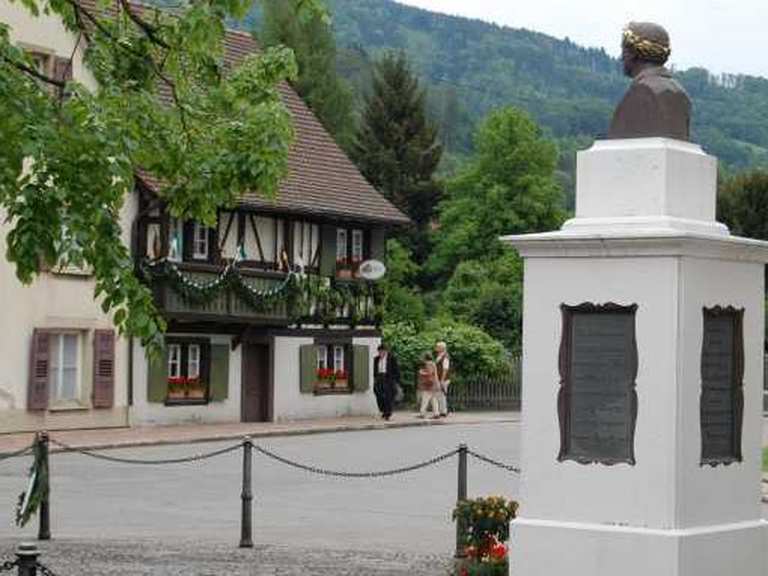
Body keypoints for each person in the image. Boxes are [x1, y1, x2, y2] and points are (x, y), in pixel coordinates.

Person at [607, 21, 691, 141]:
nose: (621, 57)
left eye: (623, 50)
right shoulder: (681, 94)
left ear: (632, 53)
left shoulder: (643, 92)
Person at [373, 343, 400, 421]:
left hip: (388, 379)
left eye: (382, 351)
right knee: (378, 394)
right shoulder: (376, 359)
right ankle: (383, 410)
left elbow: (396, 370)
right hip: (379, 378)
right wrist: (375, 378)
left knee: (388, 397)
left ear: (386, 351)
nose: (380, 353)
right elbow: (375, 370)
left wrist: (395, 380)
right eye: (379, 352)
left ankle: (388, 413)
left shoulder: (392, 358)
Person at [417, 352, 440, 419]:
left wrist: (421, 372)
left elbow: (429, 373)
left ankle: (422, 413)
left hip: (428, 384)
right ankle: (436, 413)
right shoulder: (433, 363)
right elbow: (434, 374)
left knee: (425, 398)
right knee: (433, 399)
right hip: (433, 383)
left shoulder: (428, 364)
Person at [434, 341, 451, 417]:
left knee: (441, 394)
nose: (436, 348)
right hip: (439, 378)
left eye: (437, 347)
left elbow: (445, 369)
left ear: (442, 348)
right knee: (439, 395)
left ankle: (443, 411)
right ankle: (442, 411)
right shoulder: (439, 356)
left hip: (443, 379)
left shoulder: (445, 357)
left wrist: (442, 380)